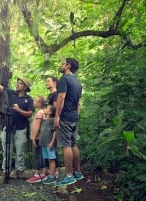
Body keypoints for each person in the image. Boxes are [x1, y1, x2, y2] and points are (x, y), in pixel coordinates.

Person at [0, 67, 34, 178]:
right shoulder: (11, 93)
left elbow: (30, 114)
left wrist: (19, 110)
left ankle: (19, 170)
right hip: (8, 126)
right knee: (7, 150)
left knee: (20, 150)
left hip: (21, 128)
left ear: (25, 87)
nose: (17, 85)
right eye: (17, 83)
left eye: (20, 84)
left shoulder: (29, 99)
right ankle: (5, 170)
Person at [54, 58, 84, 187]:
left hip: (65, 117)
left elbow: (61, 97)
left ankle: (69, 175)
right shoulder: (77, 82)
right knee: (73, 143)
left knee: (66, 145)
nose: (60, 65)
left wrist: (57, 116)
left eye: (62, 63)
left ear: (68, 66)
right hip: (74, 117)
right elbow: (78, 102)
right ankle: (77, 172)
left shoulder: (64, 79)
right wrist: (76, 115)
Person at [26, 96, 47, 183]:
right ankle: (42, 173)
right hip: (39, 137)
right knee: (40, 154)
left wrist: (34, 138)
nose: (33, 101)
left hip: (38, 138)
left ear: (39, 104)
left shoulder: (39, 113)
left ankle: (37, 174)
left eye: (35, 100)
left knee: (38, 155)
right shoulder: (40, 112)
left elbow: (38, 127)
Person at [40, 104, 58, 184]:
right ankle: (51, 174)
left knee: (51, 159)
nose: (45, 109)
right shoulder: (44, 120)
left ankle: (53, 176)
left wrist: (52, 142)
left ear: (50, 112)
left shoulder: (52, 120)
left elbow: (55, 131)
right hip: (43, 143)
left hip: (49, 143)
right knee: (48, 159)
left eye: (46, 108)